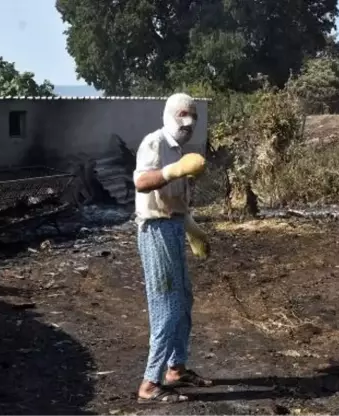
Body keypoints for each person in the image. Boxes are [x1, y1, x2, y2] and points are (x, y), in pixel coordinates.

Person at [133, 92, 213, 404]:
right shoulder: (155, 142)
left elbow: (176, 202)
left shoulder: (180, 150)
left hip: (172, 227)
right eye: (182, 115)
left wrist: (192, 230)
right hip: (155, 230)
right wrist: (173, 171)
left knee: (184, 301)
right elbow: (141, 183)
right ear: (169, 114)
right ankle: (150, 384)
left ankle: (176, 369)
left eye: (193, 116)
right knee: (166, 308)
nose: (188, 122)